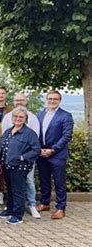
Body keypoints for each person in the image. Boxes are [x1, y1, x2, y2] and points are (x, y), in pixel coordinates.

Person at [0, 107, 41, 225]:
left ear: (25, 119)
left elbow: (36, 150)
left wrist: (23, 157)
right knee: (10, 189)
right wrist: (0, 162)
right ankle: (10, 210)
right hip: (7, 165)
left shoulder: (29, 134)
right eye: (16, 117)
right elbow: (2, 148)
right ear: (12, 118)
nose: (18, 119)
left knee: (18, 191)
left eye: (21, 117)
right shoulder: (8, 131)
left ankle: (18, 215)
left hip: (19, 166)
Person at [36, 90, 74, 220]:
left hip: (57, 154)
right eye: (50, 99)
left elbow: (67, 136)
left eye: (55, 99)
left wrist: (53, 149)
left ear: (59, 100)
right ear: (46, 99)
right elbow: (36, 133)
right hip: (41, 153)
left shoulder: (66, 116)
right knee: (44, 180)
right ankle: (45, 203)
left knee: (59, 182)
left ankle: (60, 208)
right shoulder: (40, 114)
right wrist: (39, 149)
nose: (52, 101)